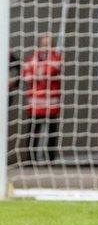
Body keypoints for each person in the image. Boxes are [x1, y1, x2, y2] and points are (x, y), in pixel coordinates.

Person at [21, 34, 62, 162]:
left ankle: (50, 159)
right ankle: (30, 159)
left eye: (49, 44)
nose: (46, 47)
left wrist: (39, 73)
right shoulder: (32, 58)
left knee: (52, 131)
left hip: (51, 102)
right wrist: (38, 73)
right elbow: (26, 74)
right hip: (36, 102)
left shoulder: (56, 58)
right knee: (33, 131)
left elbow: (51, 71)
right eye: (44, 44)